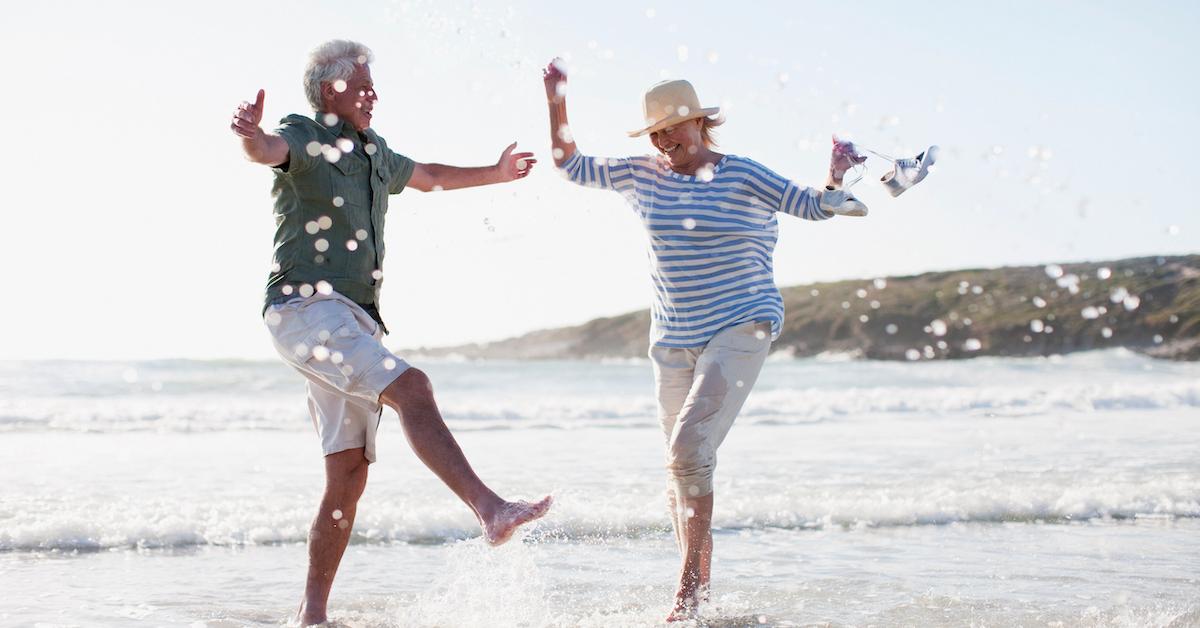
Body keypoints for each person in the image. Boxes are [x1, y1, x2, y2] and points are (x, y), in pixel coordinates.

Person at [229, 40, 551, 626]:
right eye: (362, 84)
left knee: (348, 473)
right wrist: (249, 135)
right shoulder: (302, 135)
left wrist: (497, 174)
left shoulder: (374, 152)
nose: (372, 93)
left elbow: (427, 175)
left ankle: (312, 615)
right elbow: (267, 150)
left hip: (352, 319)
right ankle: (490, 509)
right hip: (305, 309)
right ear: (331, 90)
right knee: (414, 387)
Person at [542, 60, 873, 621]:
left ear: (700, 124)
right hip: (672, 339)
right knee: (681, 467)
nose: (665, 138)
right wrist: (556, 100)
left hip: (742, 323)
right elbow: (569, 164)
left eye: (674, 126)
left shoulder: (741, 173)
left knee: (688, 450)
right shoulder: (640, 173)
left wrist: (836, 176)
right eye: (656, 131)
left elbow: (813, 205)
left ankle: (686, 597)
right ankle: (700, 598)